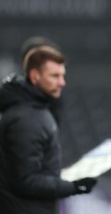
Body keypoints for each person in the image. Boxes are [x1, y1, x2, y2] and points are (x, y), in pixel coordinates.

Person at [0, 45, 97, 214]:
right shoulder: (26, 118)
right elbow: (25, 181)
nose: (62, 82)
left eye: (62, 75)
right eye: (55, 76)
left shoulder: (34, 109)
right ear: (35, 76)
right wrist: (72, 187)